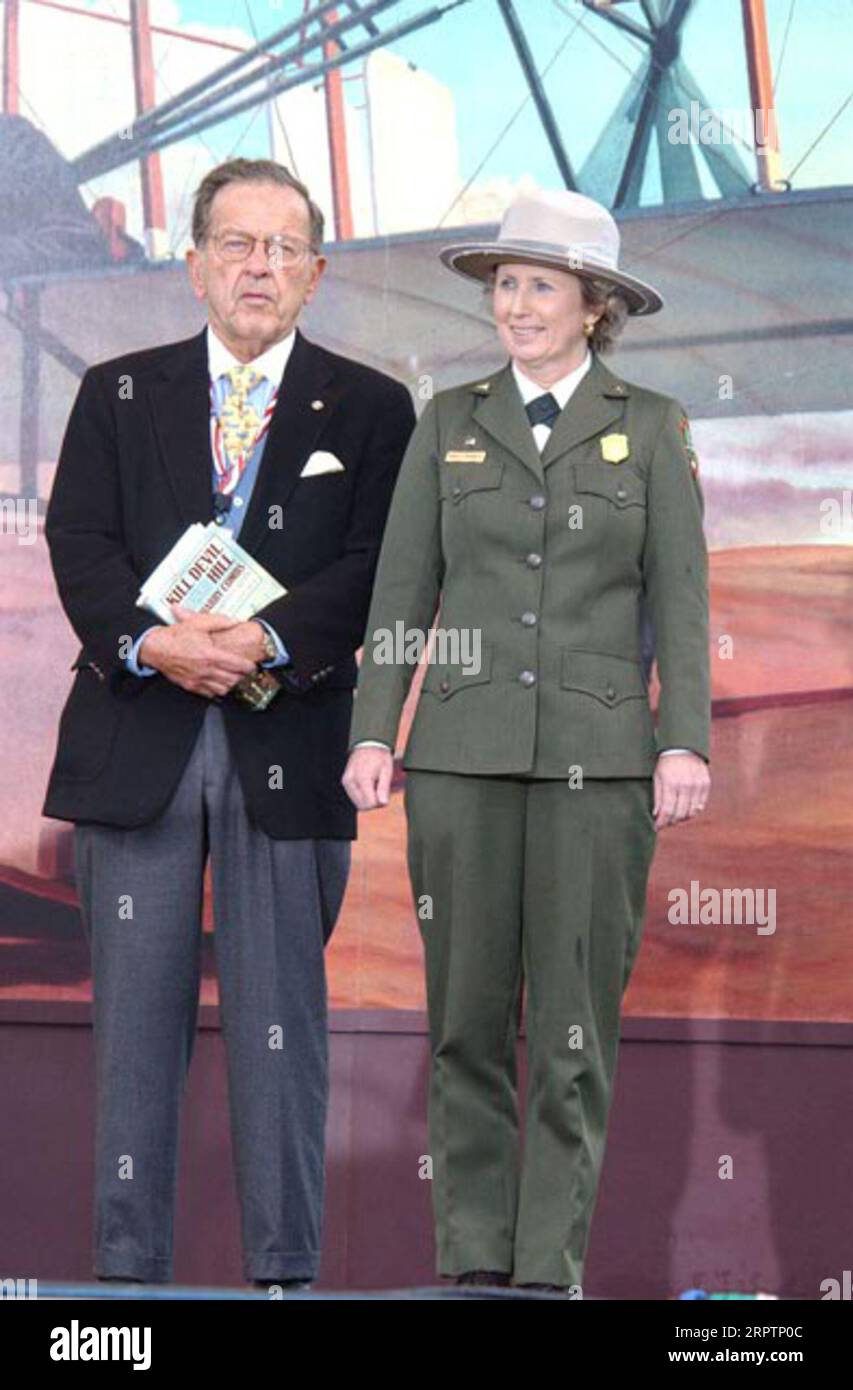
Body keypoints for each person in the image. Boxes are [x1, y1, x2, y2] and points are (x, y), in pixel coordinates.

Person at [42, 158, 415, 1287]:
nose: (260, 266)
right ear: (194, 264)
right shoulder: (115, 389)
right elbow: (81, 544)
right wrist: (156, 643)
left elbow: (378, 566)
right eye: (237, 244)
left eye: (284, 247)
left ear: (315, 274)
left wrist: (264, 638)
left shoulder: (371, 405)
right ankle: (125, 1279)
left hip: (288, 739)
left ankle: (285, 1272)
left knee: (282, 1029)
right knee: (134, 1040)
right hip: (137, 732)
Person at [343, 188, 710, 1293]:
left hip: (601, 768)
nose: (515, 303)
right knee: (463, 1022)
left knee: (568, 1033)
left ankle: (547, 1269)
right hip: (458, 758)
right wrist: (374, 729)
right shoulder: (447, 422)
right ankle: (469, 1265)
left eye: (540, 284)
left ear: (594, 306)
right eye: (505, 283)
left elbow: (679, 600)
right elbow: (403, 586)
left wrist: (681, 740)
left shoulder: (652, 424)